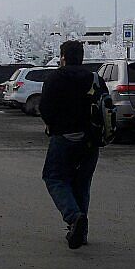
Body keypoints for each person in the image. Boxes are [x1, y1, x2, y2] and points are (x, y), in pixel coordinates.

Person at [39, 40, 106, 249]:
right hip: (90, 140)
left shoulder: (55, 78)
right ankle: (80, 232)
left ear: (63, 57)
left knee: (54, 178)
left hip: (63, 138)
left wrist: (53, 125)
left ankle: (74, 217)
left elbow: (45, 108)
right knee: (82, 183)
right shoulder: (94, 78)